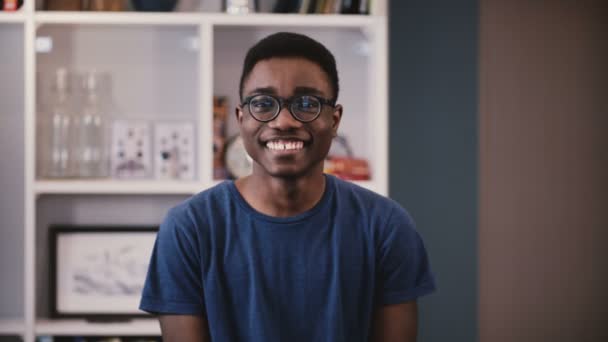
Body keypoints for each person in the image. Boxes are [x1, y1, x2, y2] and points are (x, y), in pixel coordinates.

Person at [140, 32, 436, 342]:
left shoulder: (385, 227)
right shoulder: (189, 229)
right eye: (263, 103)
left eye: (306, 103)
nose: (282, 121)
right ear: (241, 120)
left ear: (334, 121)